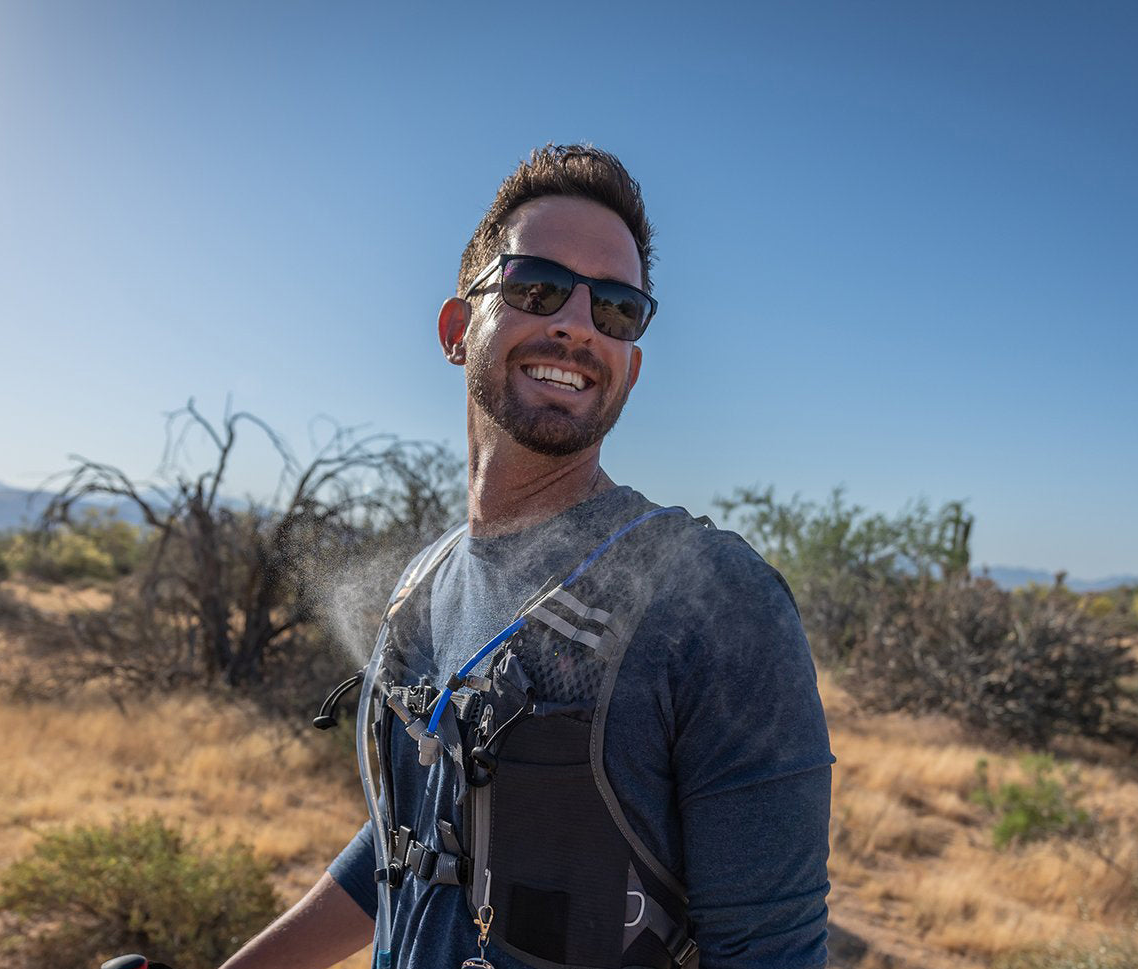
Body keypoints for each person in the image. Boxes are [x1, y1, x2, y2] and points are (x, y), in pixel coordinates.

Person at [219, 145, 833, 969]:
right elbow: (407, 846)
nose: (578, 323)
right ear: (454, 329)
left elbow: (772, 954)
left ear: (631, 367)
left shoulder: (715, 604)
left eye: (616, 309)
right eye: (536, 287)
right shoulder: (421, 587)